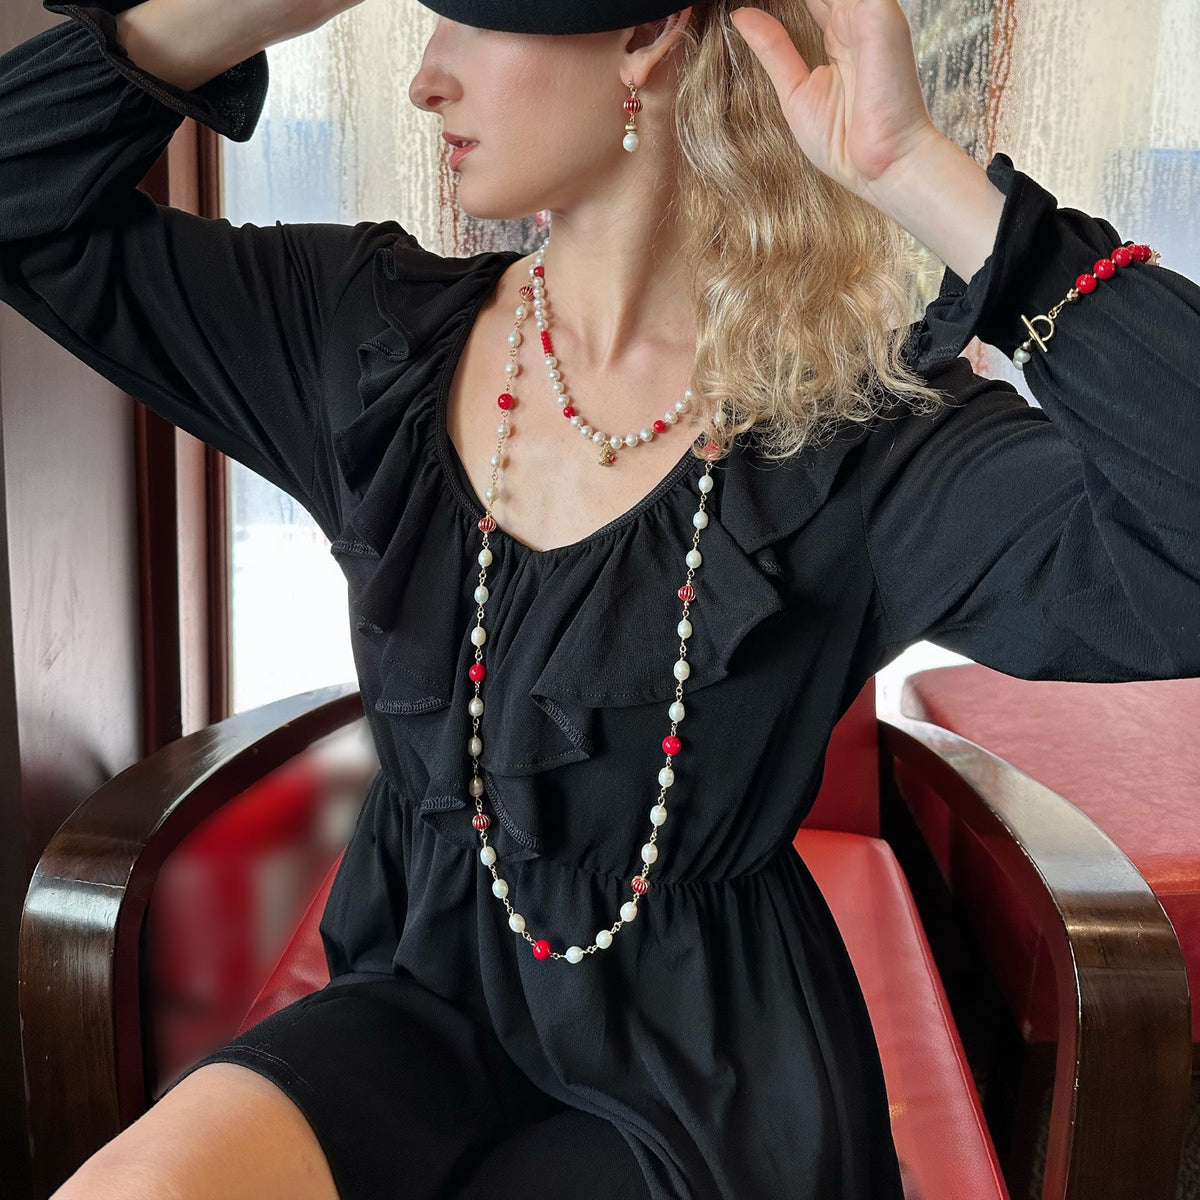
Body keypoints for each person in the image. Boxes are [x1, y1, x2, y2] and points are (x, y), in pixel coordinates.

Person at [2, 0, 1197, 1196]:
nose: (425, 79)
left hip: (702, 1084)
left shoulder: (861, 431)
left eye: (470, 17)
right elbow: (22, 199)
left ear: (646, 34)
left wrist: (924, 178)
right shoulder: (366, 339)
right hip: (408, 1015)